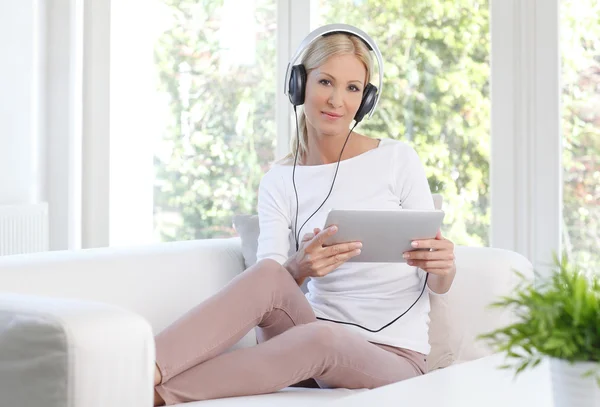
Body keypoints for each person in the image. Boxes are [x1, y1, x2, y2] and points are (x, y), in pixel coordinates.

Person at [152, 24, 456, 406]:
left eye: (352, 88)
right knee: (269, 275)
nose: (336, 101)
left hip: (391, 357)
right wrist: (299, 267)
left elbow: (438, 283)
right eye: (326, 82)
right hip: (304, 341)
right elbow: (268, 295)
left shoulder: (397, 159)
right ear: (299, 85)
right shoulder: (279, 180)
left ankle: (151, 395)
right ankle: (141, 369)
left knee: (322, 339)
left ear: (365, 100)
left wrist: (443, 269)